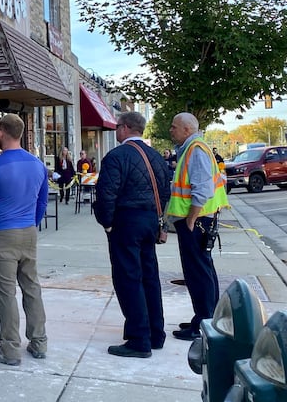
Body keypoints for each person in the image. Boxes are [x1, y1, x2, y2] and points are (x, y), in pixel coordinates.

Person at [94, 111, 170, 358]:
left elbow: (106, 195)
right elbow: (165, 190)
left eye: (117, 127)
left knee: (129, 279)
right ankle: (155, 333)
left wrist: (107, 223)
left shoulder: (116, 157)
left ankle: (139, 338)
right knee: (149, 276)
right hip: (151, 220)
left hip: (126, 222)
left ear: (125, 128)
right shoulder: (156, 156)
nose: (116, 131)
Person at [0, 114, 49, 366]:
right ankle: (39, 341)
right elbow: (42, 202)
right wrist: (32, 222)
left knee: (6, 293)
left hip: (0, 233)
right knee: (31, 287)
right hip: (27, 231)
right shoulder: (38, 165)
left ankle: (9, 348)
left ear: (0, 132)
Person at [168, 113, 230, 340]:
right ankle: (204, 319)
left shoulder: (195, 150)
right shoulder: (195, 148)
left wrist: (192, 219)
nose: (171, 130)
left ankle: (203, 324)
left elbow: (201, 190)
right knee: (203, 270)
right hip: (201, 219)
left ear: (186, 129)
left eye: (174, 127)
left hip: (197, 220)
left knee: (198, 273)